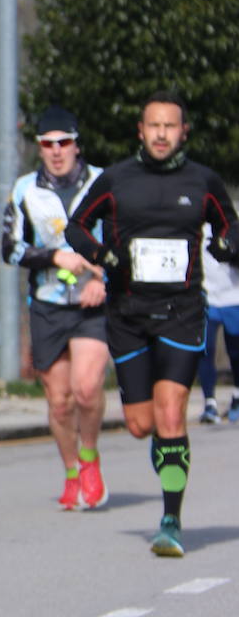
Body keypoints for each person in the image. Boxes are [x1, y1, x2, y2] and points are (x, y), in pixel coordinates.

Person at [67, 91, 239, 557]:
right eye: (153, 125)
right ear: (140, 131)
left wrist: (226, 246)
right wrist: (101, 255)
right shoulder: (117, 180)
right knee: (142, 425)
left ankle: (171, 520)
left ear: (184, 132)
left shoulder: (203, 181)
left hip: (182, 313)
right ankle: (167, 457)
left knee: (170, 414)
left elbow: (230, 228)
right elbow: (76, 227)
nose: (162, 133)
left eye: (171, 126)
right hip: (127, 316)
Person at [0, 105, 110, 510]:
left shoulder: (103, 183)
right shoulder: (24, 189)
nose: (57, 151)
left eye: (64, 143)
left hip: (92, 305)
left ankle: (90, 457)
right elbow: (9, 248)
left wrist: (103, 279)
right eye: (49, 145)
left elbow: (125, 241)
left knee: (86, 388)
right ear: (40, 148)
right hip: (47, 304)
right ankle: (70, 471)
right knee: (60, 401)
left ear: (77, 145)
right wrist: (52, 258)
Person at [197, 222, 239, 424]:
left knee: (236, 352)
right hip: (207, 298)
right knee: (206, 348)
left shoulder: (233, 226)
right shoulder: (196, 225)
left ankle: (237, 396)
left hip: (234, 296)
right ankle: (209, 402)